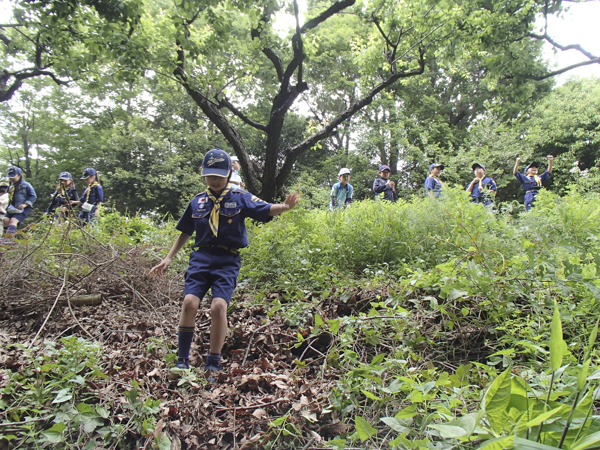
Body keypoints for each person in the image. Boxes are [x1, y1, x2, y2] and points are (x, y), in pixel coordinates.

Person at [149, 149, 300, 381]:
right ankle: (182, 359)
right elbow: (185, 232)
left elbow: (266, 208)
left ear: (229, 173)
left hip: (227, 260)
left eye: (220, 175)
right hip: (201, 259)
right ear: (203, 175)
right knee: (189, 302)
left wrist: (285, 207)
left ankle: (213, 361)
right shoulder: (197, 201)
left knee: (218, 307)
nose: (215, 180)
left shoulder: (240, 197)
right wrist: (168, 257)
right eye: (210, 176)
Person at [3, 166, 37, 240]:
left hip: (22, 208)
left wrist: (25, 204)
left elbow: (33, 196)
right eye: (10, 178)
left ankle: (7, 240)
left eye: (13, 177)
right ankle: (5, 237)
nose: (11, 179)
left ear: (19, 175)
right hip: (12, 208)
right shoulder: (11, 187)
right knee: (5, 220)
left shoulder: (26, 185)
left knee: (13, 221)